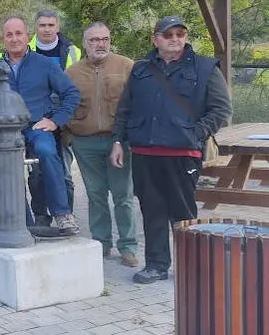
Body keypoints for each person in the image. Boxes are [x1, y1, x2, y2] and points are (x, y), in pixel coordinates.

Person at [112, 16, 231, 284]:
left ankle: (190, 267)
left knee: (183, 213)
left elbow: (222, 110)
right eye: (168, 34)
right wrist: (118, 141)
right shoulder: (141, 69)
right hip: (144, 153)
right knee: (152, 211)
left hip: (182, 155)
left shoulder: (205, 68)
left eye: (180, 33)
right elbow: (125, 109)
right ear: (156, 39)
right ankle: (156, 265)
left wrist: (194, 134)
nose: (175, 38)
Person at [0, 15, 81, 235]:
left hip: (36, 127)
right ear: (2, 39)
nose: (14, 39)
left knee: (47, 152)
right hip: (6, 131)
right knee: (2, 165)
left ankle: (62, 214)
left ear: (27, 36)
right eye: (9, 35)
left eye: (19, 33)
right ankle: (18, 220)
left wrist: (55, 121)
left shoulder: (43, 65)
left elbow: (71, 93)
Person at [65, 22, 138, 267]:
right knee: (95, 195)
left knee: (123, 195)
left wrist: (130, 138)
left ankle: (128, 247)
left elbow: (139, 103)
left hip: (118, 142)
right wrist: (70, 138)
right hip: (85, 143)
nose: (100, 44)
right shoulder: (72, 73)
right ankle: (102, 243)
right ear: (85, 43)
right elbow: (62, 106)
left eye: (104, 39)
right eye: (94, 40)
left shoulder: (127, 66)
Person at [27, 9, 81, 227]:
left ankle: (65, 216)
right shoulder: (25, 49)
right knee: (37, 172)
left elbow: (75, 88)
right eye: (42, 25)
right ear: (36, 28)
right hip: (37, 122)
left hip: (64, 122)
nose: (47, 29)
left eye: (51, 25)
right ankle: (41, 216)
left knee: (65, 173)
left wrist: (63, 117)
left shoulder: (72, 52)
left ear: (58, 27)